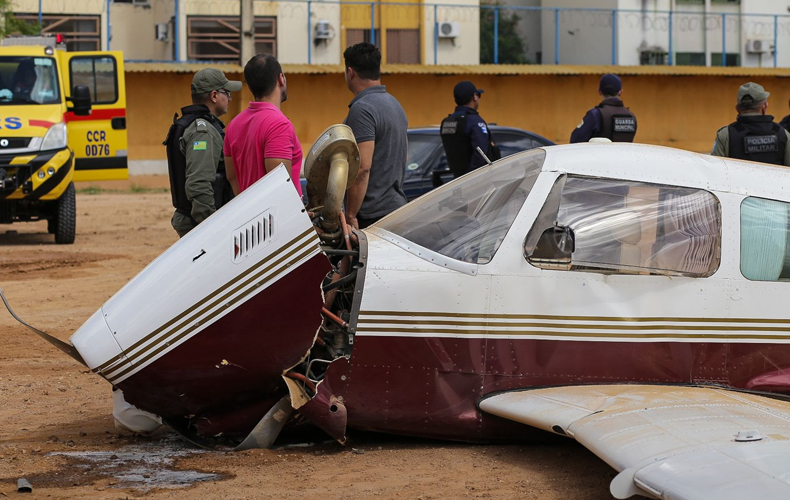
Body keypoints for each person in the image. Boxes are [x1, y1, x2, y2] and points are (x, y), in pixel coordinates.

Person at [164, 68, 241, 237]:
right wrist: (212, 228)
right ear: (214, 96)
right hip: (199, 223)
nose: (230, 98)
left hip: (195, 220)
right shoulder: (203, 132)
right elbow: (198, 183)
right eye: (226, 93)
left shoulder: (201, 126)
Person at [343, 42, 408, 229]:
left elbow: (362, 167)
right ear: (379, 69)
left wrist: (351, 214)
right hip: (396, 208)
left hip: (371, 215)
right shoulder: (395, 104)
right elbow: (404, 157)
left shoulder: (362, 109)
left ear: (350, 72)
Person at [224, 54, 302, 196]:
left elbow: (233, 178)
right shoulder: (279, 125)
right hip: (278, 217)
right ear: (281, 79)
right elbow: (280, 186)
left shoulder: (233, 125)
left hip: (249, 214)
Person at [711, 82, 790, 166]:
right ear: (764, 107)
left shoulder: (725, 135)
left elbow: (714, 170)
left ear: (737, 108)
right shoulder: (783, 134)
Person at [440, 81, 499, 179]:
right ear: (475, 96)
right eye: (479, 95)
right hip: (476, 180)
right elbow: (481, 154)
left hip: (456, 179)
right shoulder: (474, 121)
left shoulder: (446, 122)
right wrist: (470, 178)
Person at [570, 74, 637, 143]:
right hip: (624, 154)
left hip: (598, 153)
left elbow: (575, 140)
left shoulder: (595, 114)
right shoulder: (631, 116)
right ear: (620, 92)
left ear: (599, 91)